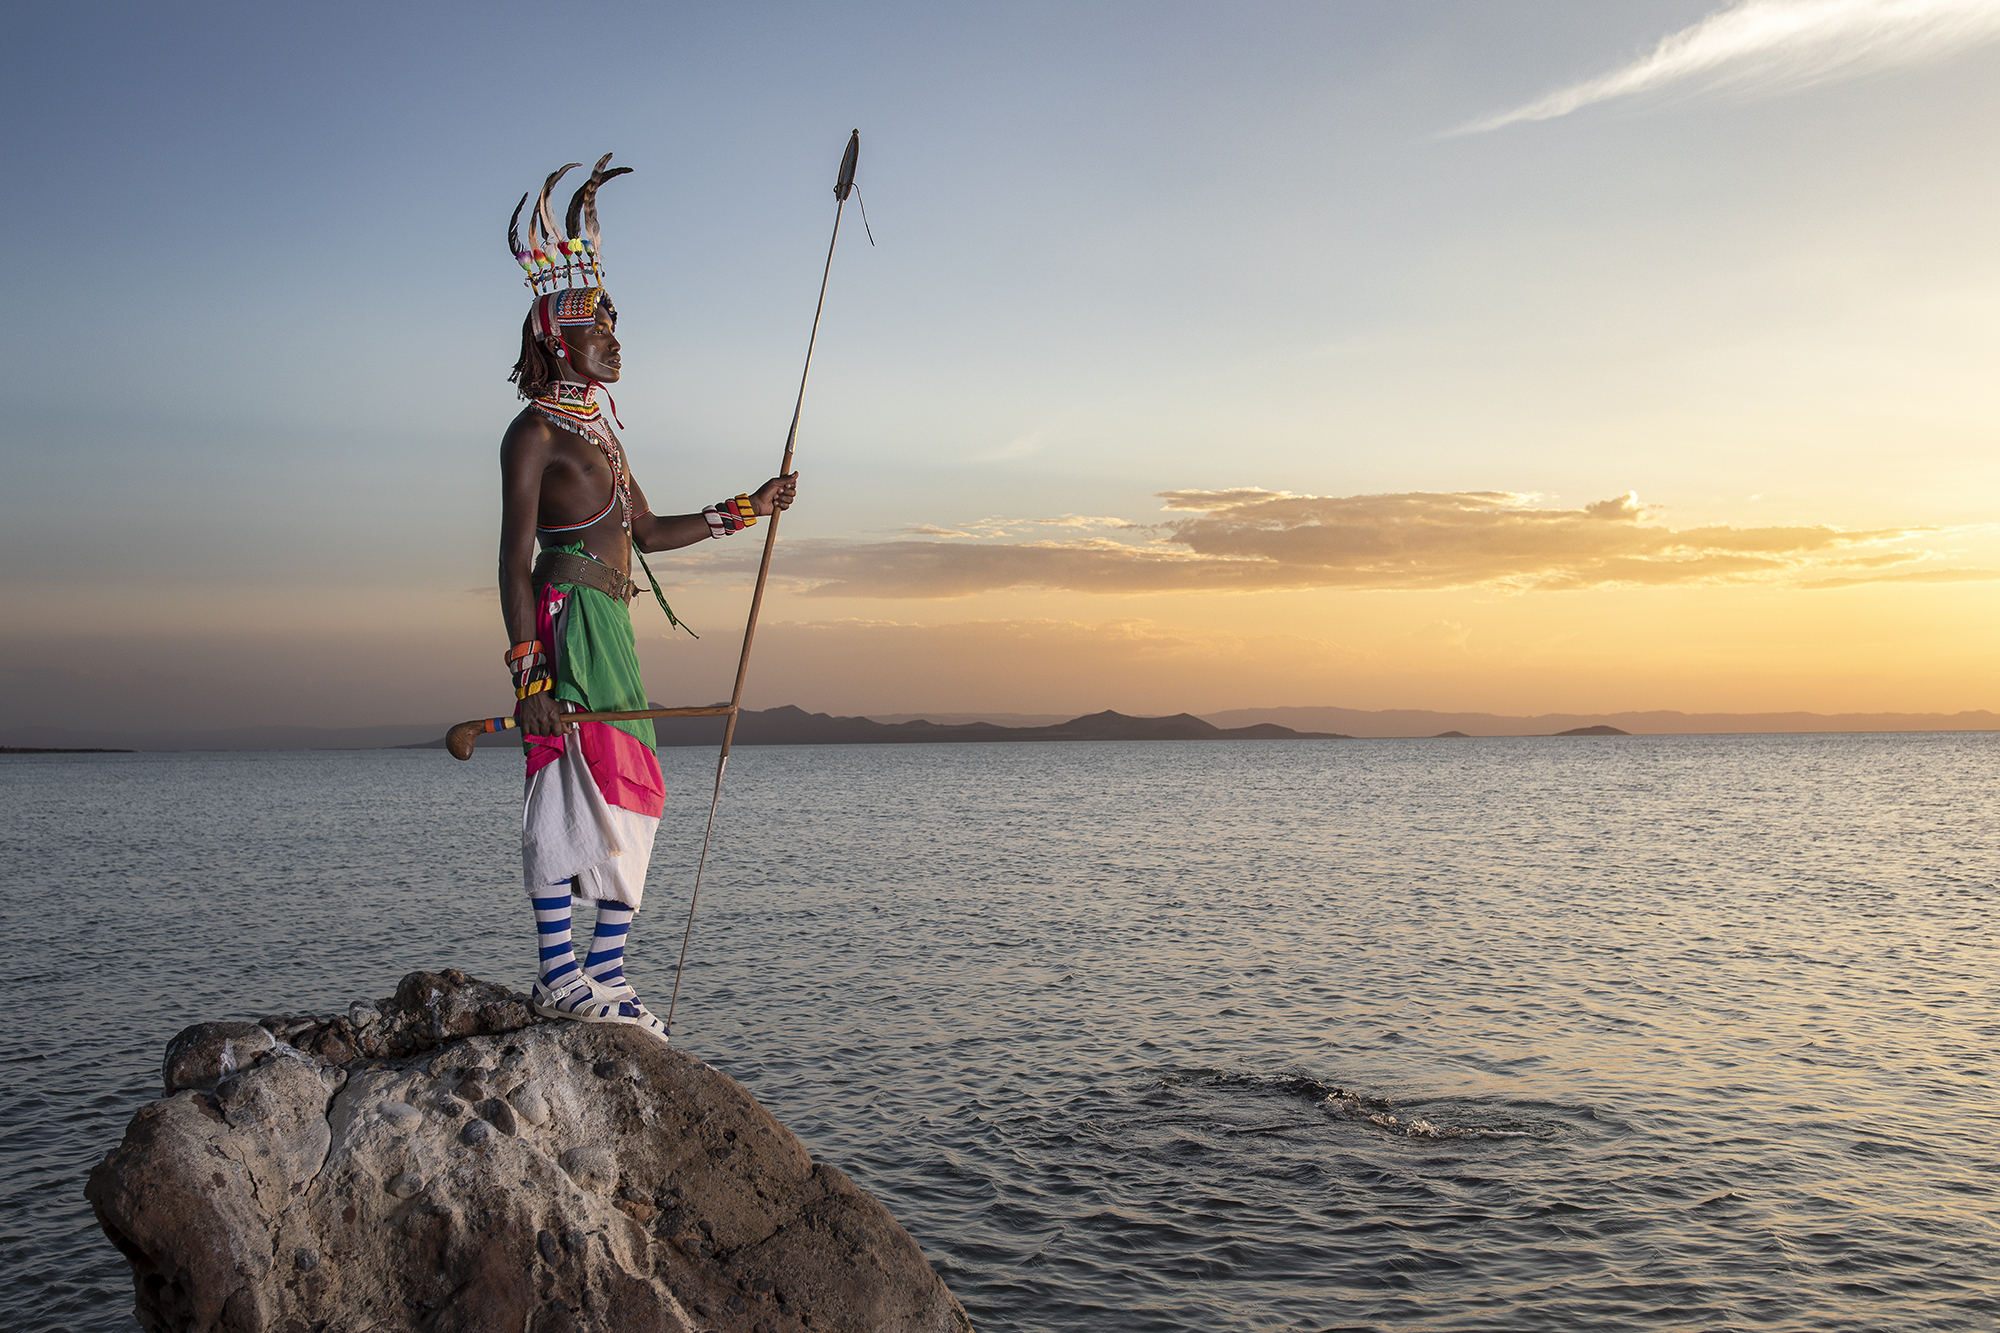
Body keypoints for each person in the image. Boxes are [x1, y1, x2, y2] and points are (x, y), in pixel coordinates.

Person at [497, 156, 796, 1041]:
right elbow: (514, 560)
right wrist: (528, 678)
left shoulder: (599, 435)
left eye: (617, 321)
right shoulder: (535, 433)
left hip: (613, 625)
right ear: (559, 338)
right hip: (566, 621)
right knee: (568, 790)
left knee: (638, 790)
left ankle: (610, 973)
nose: (616, 337)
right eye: (600, 324)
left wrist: (748, 507)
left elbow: (653, 531)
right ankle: (560, 973)